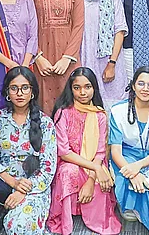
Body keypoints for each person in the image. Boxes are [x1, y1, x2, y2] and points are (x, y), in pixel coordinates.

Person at [0, 66, 57, 235]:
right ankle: (0, 211)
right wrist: (13, 183)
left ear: (33, 92)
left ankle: (10, 214)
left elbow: (48, 169)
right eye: (14, 88)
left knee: (19, 226)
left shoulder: (45, 123)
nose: (19, 93)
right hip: (4, 180)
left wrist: (22, 190)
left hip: (32, 186)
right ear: (7, 92)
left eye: (25, 88)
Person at [47, 67, 121, 235]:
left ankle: (87, 211)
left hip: (93, 163)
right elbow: (64, 152)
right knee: (68, 172)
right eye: (77, 87)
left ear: (94, 88)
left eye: (87, 87)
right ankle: (66, 217)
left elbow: (100, 152)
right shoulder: (63, 113)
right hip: (69, 162)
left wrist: (92, 176)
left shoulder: (100, 115)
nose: (82, 92)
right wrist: (96, 169)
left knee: (98, 183)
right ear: (70, 89)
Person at [24, 0, 84, 115]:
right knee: (43, 102)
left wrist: (67, 58)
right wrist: (38, 56)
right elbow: (27, 27)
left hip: (68, 56)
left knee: (70, 104)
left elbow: (79, 25)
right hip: (41, 57)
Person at [109, 66, 149, 235]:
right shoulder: (118, 110)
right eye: (141, 83)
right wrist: (133, 173)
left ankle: (138, 206)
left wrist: (138, 168)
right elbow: (116, 151)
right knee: (131, 181)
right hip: (125, 157)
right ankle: (129, 204)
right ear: (133, 85)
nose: (145, 88)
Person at [80, 0, 127, 111]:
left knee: (113, 107)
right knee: (86, 102)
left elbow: (120, 31)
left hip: (109, 59)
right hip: (85, 56)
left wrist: (112, 63)